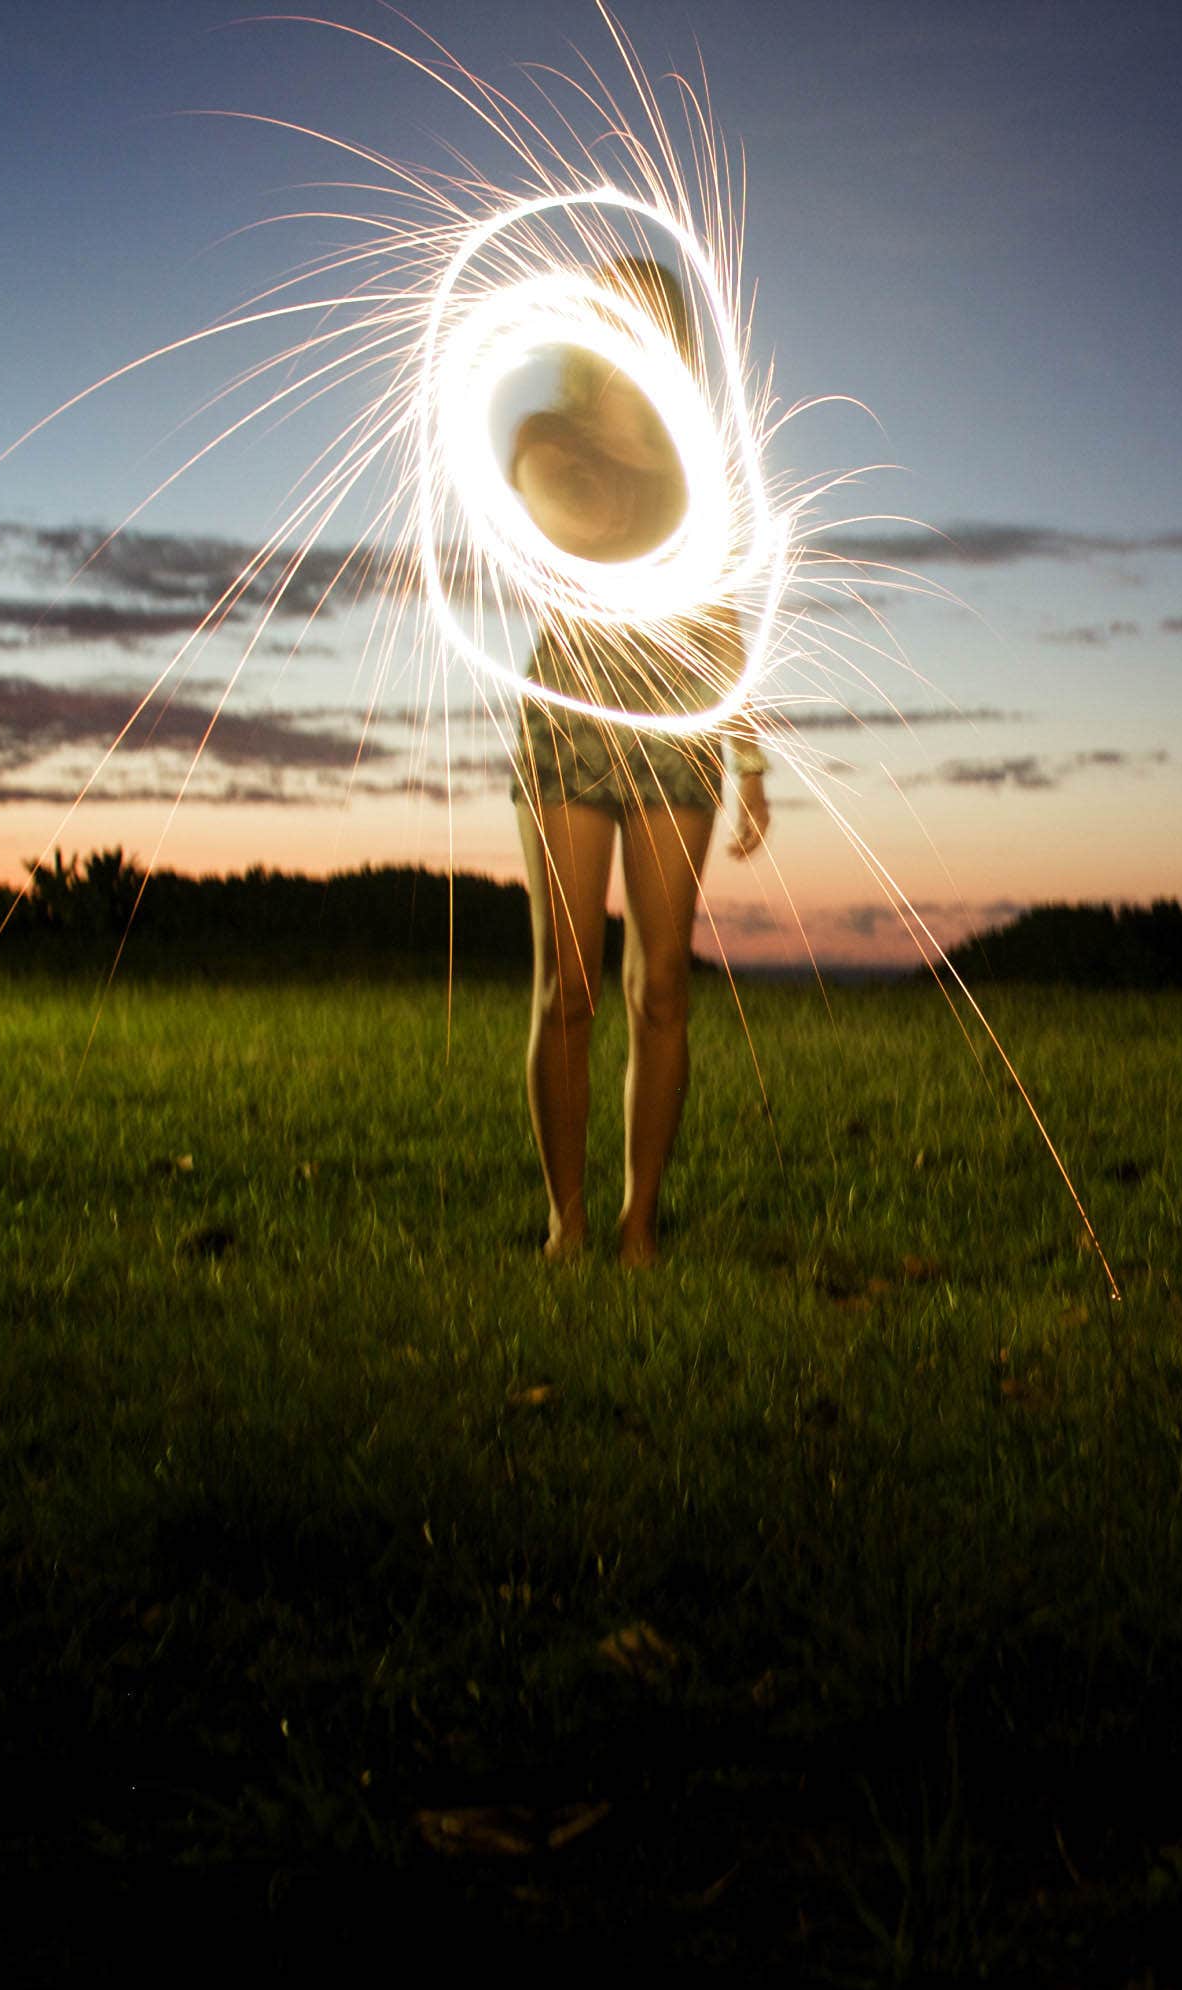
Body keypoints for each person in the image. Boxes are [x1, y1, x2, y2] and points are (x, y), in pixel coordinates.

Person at [509, 257, 770, 1266]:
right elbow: (572, 522)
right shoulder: (545, 438)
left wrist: (749, 754)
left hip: (678, 721)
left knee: (662, 983)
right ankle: (564, 1221)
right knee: (566, 982)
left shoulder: (698, 462)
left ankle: (638, 1223)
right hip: (569, 710)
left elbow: (722, 614)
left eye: (662, 319)